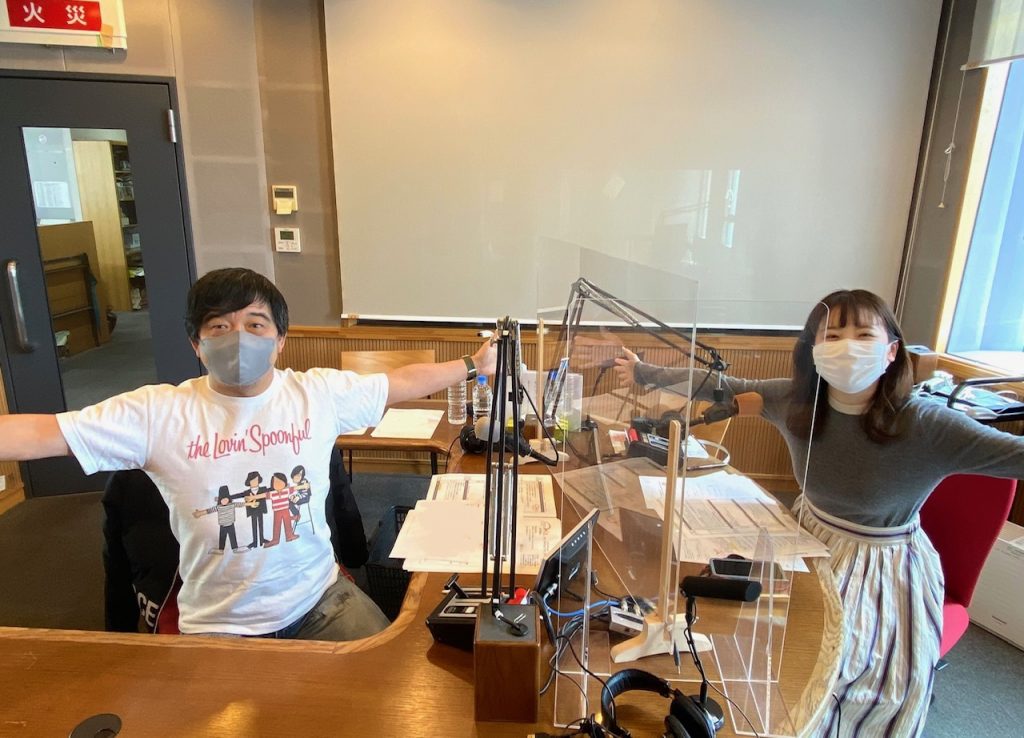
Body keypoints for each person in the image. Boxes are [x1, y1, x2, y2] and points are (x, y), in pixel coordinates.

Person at [0, 267, 496, 641]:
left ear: (280, 341)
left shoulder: (317, 394)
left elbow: (401, 382)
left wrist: (474, 364)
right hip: (217, 623)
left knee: (387, 691)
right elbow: (44, 433)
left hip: (320, 600)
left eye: (255, 324)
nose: (238, 338)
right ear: (196, 344)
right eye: (218, 326)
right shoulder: (158, 412)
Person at [613, 289, 1024, 737]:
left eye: (863, 334)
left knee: (842, 680)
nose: (847, 346)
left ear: (891, 351)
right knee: (758, 644)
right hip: (808, 536)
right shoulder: (796, 400)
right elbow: (720, 386)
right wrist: (643, 372)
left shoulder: (926, 423)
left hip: (881, 566)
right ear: (813, 350)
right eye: (832, 335)